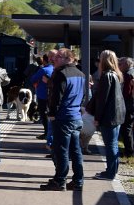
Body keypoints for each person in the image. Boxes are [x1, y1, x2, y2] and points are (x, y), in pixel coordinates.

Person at [43, 48, 87, 191]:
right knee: (76, 150)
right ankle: (78, 181)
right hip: (75, 117)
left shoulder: (61, 74)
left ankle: (59, 180)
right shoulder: (81, 74)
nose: (54, 59)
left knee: (61, 150)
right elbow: (84, 95)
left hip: (63, 117)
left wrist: (52, 113)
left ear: (69, 59)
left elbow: (57, 97)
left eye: (59, 57)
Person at [91, 50, 126, 181]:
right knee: (113, 144)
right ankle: (112, 170)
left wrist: (97, 118)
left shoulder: (106, 76)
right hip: (117, 114)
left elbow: (102, 100)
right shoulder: (117, 74)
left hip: (108, 116)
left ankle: (110, 173)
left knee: (110, 145)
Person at [119, 56, 134, 159]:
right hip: (130, 105)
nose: (119, 66)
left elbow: (126, 92)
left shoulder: (128, 74)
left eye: (121, 64)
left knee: (126, 129)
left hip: (128, 106)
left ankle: (129, 152)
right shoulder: (131, 72)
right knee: (128, 129)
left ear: (126, 64)